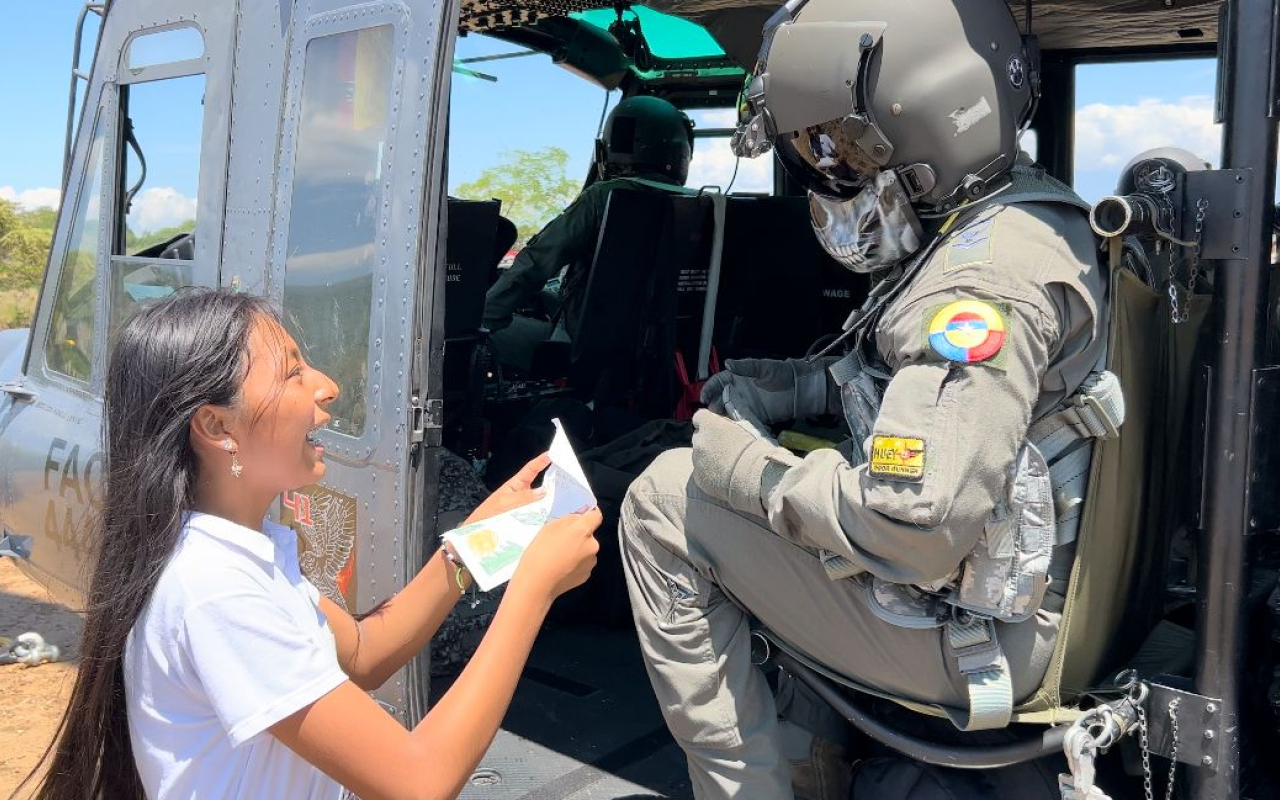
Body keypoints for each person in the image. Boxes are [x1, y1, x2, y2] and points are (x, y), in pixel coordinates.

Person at [619, 2, 1118, 799]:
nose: (824, 173)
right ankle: (817, 750)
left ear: (924, 133)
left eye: (836, 148)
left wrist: (749, 470)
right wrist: (796, 385)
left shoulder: (977, 285)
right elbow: (918, 380)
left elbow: (913, 527)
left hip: (985, 641)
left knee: (661, 501)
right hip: (1041, 600)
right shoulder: (1021, 216)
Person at [26, 288, 602, 800]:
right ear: (217, 427)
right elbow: (418, 781)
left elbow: (362, 654)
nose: (328, 387)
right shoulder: (216, 590)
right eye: (292, 373)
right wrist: (533, 590)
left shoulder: (230, 553)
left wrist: (478, 542)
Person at [483, 95, 695, 372]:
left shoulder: (602, 198)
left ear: (609, 149)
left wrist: (481, 318)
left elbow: (533, 266)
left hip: (584, 355)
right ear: (682, 151)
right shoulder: (702, 207)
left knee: (474, 333)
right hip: (666, 357)